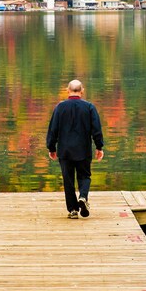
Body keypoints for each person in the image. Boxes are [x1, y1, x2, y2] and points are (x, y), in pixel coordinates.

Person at [46, 79, 104, 219]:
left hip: (65, 150)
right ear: (82, 91)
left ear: (68, 90)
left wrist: (51, 147)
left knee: (68, 179)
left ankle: (73, 210)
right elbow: (96, 129)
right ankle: (83, 197)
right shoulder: (89, 107)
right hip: (83, 150)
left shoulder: (60, 107)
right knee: (84, 176)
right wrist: (99, 146)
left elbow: (53, 129)